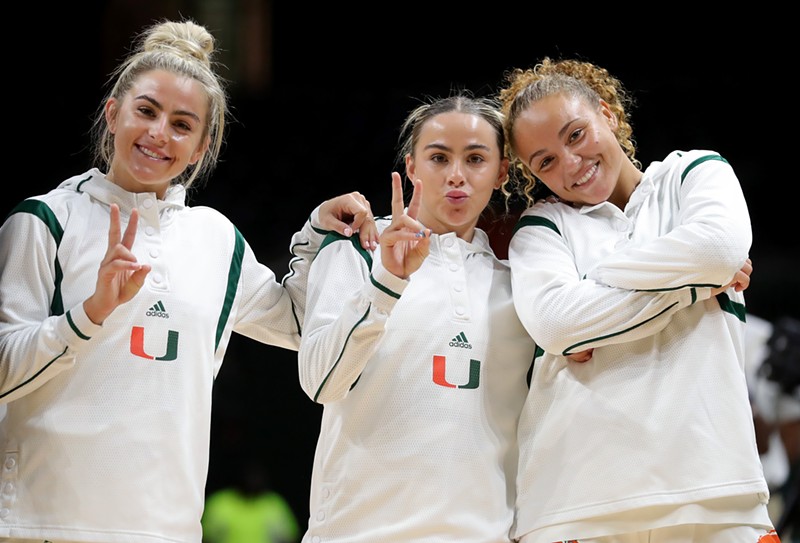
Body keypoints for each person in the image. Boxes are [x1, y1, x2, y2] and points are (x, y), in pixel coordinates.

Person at [0, 18, 378, 543]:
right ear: (113, 113)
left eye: (182, 124)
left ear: (200, 147)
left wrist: (318, 233)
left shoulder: (216, 239)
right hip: (44, 525)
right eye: (146, 111)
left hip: (167, 530)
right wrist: (88, 315)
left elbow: (298, 325)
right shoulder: (44, 221)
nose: (159, 134)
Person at [496, 56, 777, 542]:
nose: (570, 162)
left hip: (716, 494)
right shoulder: (541, 228)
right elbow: (558, 325)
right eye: (544, 161)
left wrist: (597, 285)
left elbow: (717, 248)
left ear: (606, 114)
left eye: (575, 134)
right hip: (575, 506)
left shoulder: (695, 171)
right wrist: (695, 286)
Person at [297, 93, 538, 542]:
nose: (456, 176)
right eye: (439, 157)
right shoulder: (355, 250)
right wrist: (387, 282)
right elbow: (319, 381)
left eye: (476, 159)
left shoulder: (519, 286)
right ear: (411, 168)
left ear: (501, 172)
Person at [202, 458, 300, 543]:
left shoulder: (274, 504)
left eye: (256, 475)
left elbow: (291, 538)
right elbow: (203, 537)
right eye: (249, 475)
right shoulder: (219, 503)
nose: (253, 479)